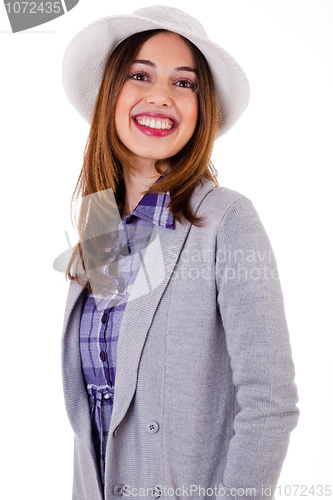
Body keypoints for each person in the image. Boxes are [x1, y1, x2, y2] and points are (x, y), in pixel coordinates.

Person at [61, 6, 300, 500]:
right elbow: (98, 415)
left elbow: (270, 403)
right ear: (110, 93)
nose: (160, 96)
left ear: (201, 106)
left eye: (184, 83)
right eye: (139, 75)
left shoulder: (227, 219)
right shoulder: (100, 223)